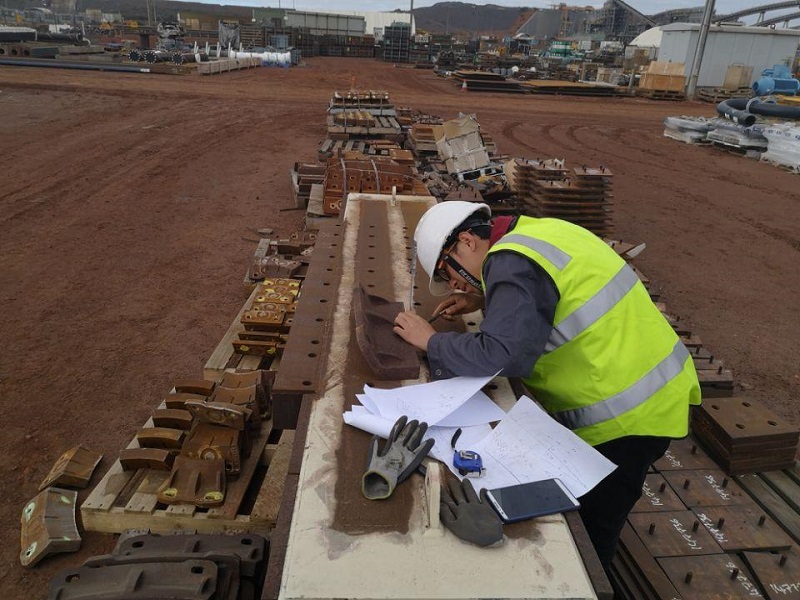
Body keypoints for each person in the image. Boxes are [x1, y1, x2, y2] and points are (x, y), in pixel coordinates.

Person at [393, 201, 701, 572]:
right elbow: (547, 293)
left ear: (466, 241)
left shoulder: (512, 261)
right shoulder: (537, 234)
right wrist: (487, 297)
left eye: (449, 271)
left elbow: (502, 354)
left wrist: (430, 341)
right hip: (653, 386)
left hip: (627, 415)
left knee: (590, 532)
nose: (454, 283)